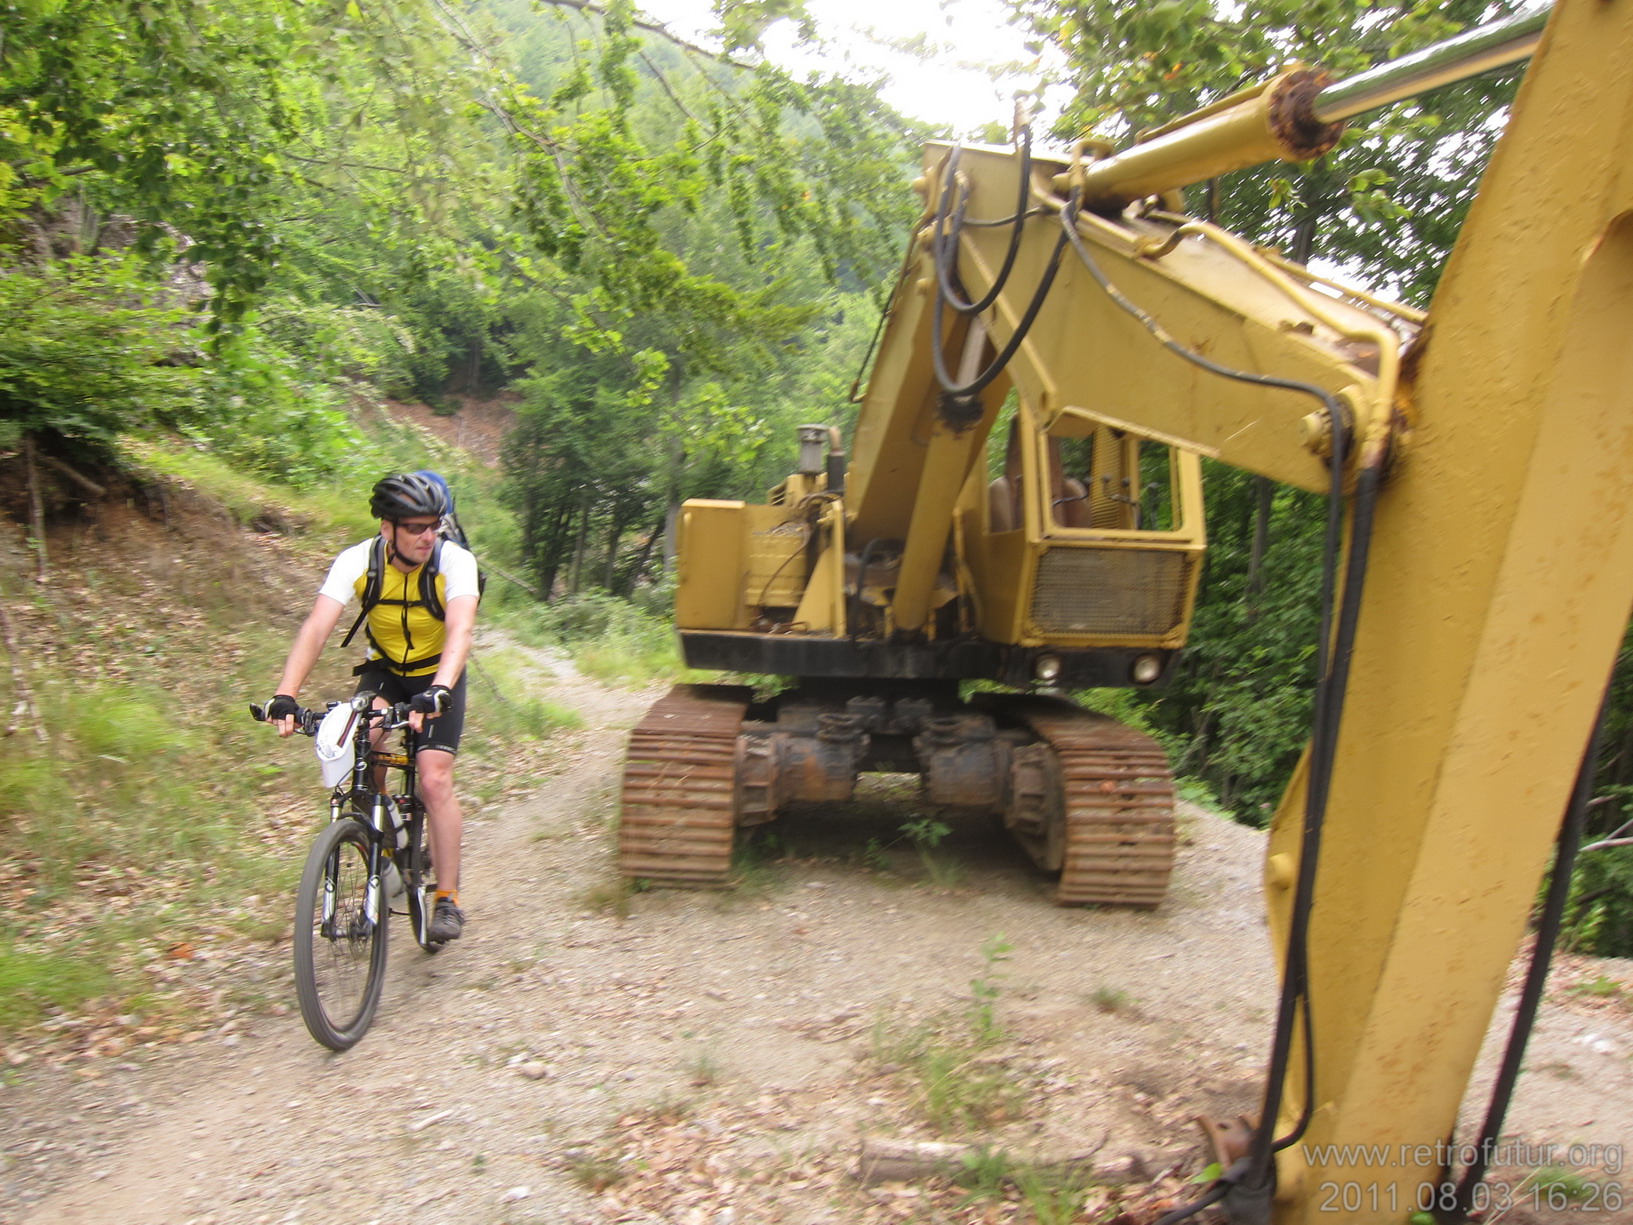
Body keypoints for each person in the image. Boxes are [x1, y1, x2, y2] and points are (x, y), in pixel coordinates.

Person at [265, 472, 480, 943]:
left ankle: (448, 897)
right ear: (388, 528)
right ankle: (387, 844)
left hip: (438, 673)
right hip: (385, 669)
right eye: (417, 527)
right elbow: (318, 626)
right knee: (362, 748)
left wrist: (439, 689)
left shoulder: (454, 562)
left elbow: (460, 630)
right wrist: (286, 694)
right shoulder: (356, 561)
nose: (429, 536)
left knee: (433, 776)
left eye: (434, 526)